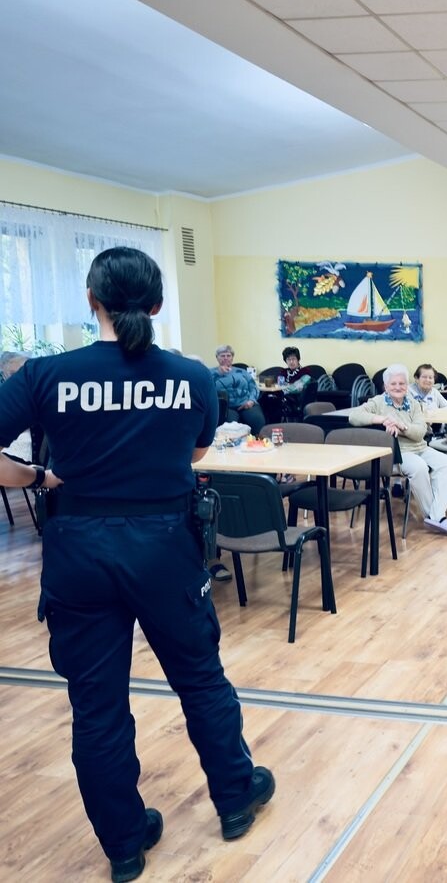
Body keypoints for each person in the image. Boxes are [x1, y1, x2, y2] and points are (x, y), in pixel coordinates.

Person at [0, 248, 273, 882]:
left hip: (77, 548)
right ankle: (235, 798)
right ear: (157, 304)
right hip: (163, 546)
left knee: (96, 704)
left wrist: (39, 477)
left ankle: (124, 845)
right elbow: (198, 451)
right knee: (200, 679)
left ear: (91, 300)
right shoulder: (191, 375)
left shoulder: (45, 374)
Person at [349, 363, 447, 536]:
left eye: (402, 383)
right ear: (386, 386)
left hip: (420, 447)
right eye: (393, 384)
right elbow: (354, 416)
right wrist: (382, 419)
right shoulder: (378, 402)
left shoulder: (413, 404)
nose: (398, 387)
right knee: (419, 467)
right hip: (397, 453)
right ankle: (434, 517)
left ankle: (436, 516)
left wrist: (401, 426)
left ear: (407, 385)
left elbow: (420, 433)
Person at [211, 345, 266, 432]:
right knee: (230, 428)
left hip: (246, 404)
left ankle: (255, 440)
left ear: (232, 357)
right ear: (217, 357)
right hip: (226, 407)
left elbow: (254, 387)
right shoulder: (210, 372)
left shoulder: (242, 372)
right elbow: (206, 387)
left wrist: (251, 401)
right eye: (222, 356)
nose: (226, 358)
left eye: (228, 355)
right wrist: (218, 373)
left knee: (258, 420)